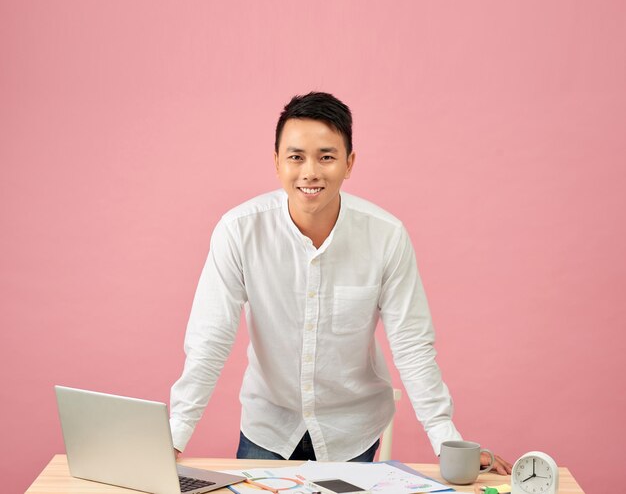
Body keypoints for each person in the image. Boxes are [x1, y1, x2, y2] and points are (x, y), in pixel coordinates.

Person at [170, 92, 511, 473]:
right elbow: (209, 340)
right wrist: (174, 436)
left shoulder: (385, 236)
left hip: (352, 433)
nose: (310, 172)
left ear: (349, 163)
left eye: (326, 157)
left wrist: (447, 441)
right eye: (296, 156)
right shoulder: (238, 231)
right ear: (277, 162)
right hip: (268, 429)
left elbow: (412, 344)